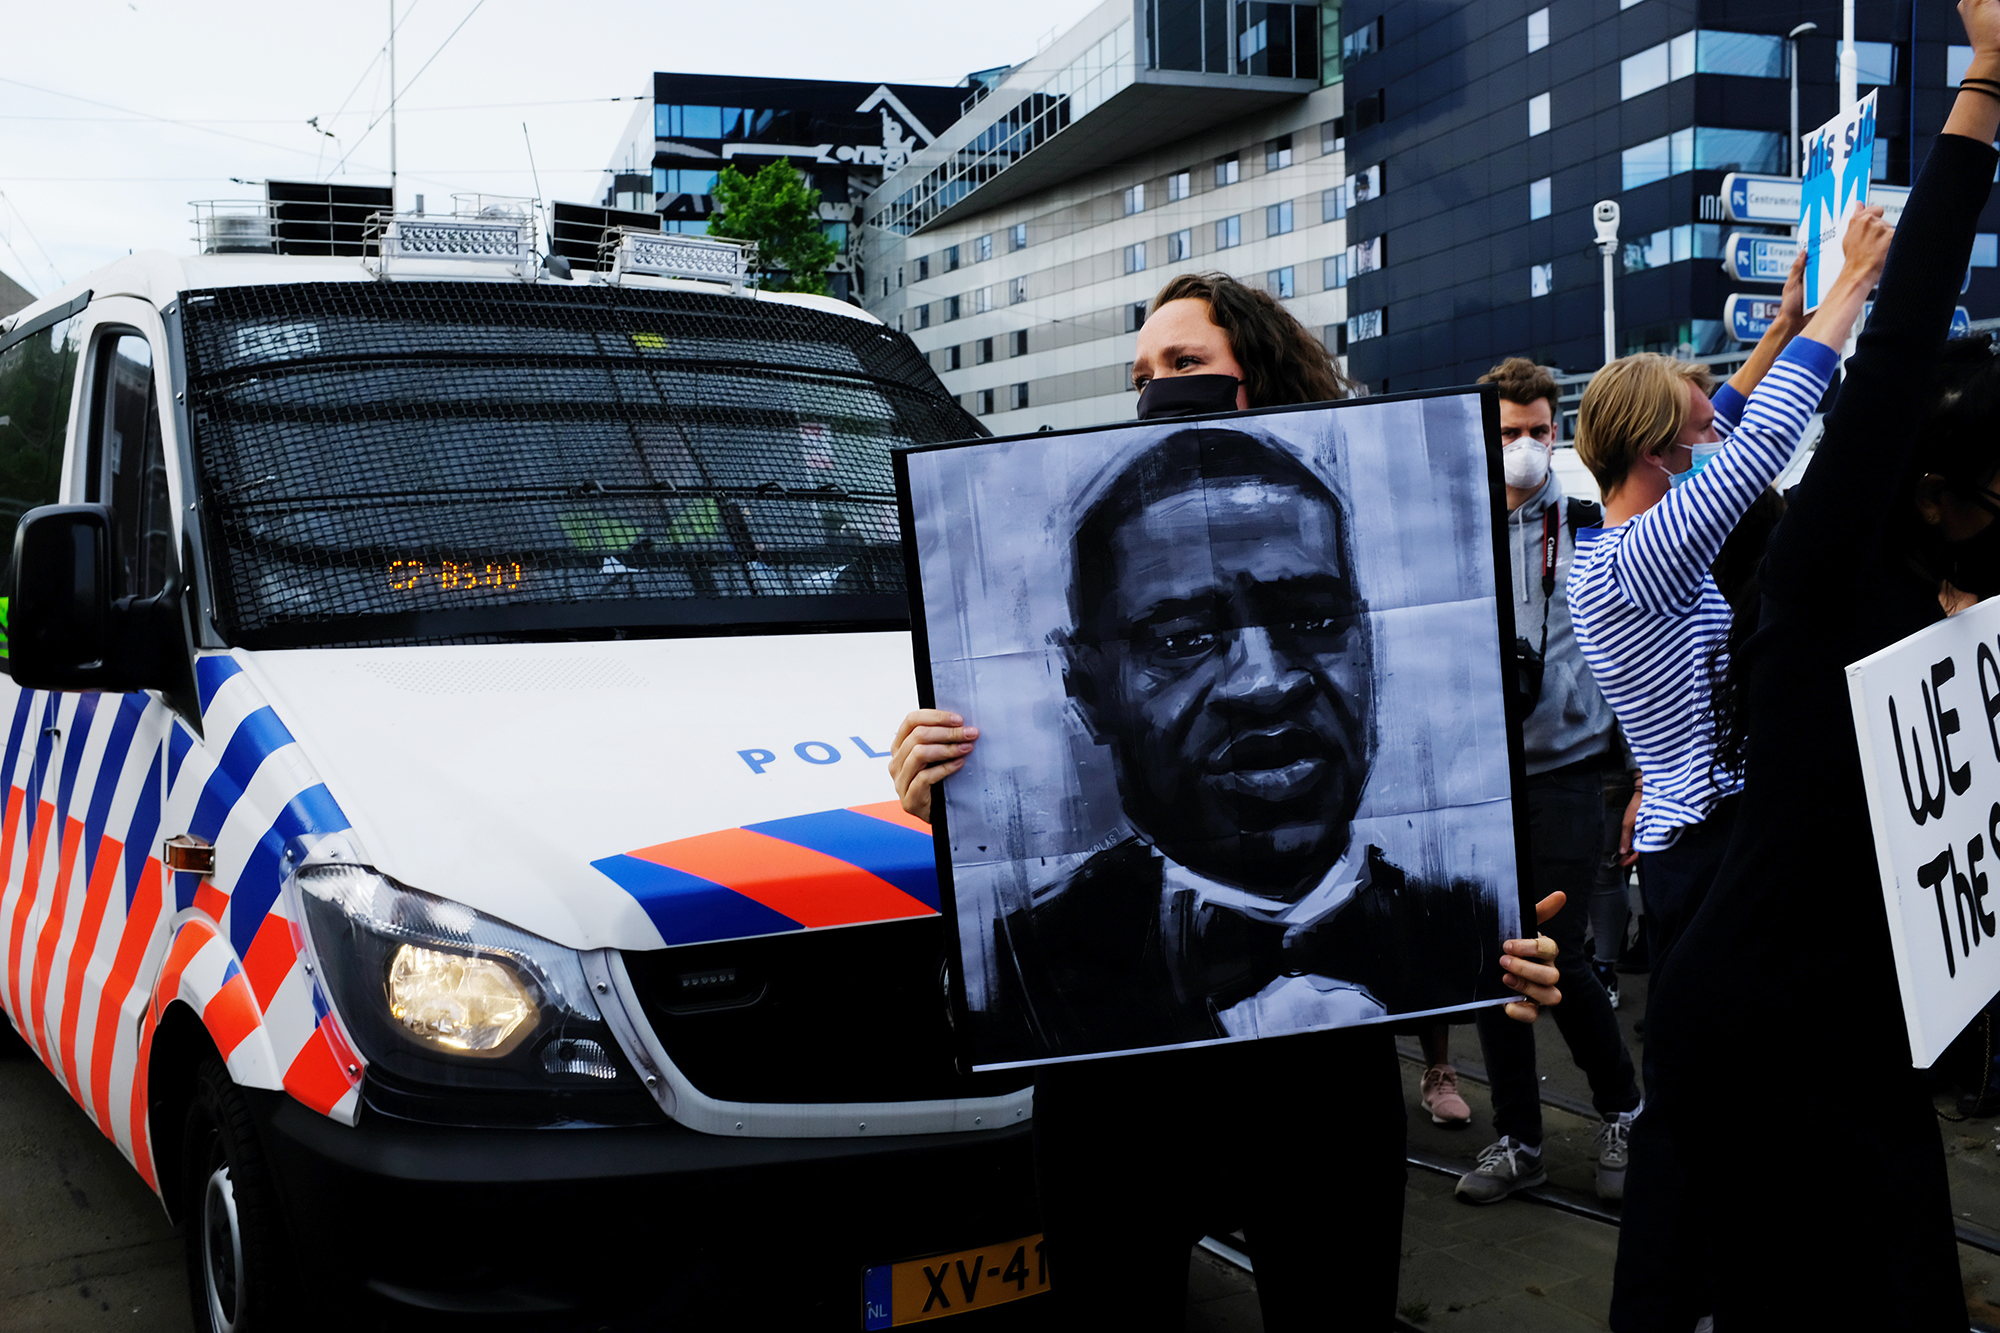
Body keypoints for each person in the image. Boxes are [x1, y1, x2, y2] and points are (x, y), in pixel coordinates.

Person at [891, 271, 1563, 1331]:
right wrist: (936, 792)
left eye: (1307, 619)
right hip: (1110, 1109)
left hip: (1326, 1105)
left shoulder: (1445, 910)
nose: (1262, 681)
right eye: (1184, 637)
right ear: (1087, 681)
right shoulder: (1033, 946)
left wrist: (1504, 961)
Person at [1628, 5, 2000, 1324]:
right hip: (1761, 1028)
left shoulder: (1946, 595)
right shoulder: (1822, 570)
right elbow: (1888, 361)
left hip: (1863, 1029)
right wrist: (1985, 85)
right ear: (1937, 494)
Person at [1563, 158, 1894, 1333]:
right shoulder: (1642, 558)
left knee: (1702, 1090)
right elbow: (1750, 454)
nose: (1713, 431)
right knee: (1702, 1099)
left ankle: (1683, 1294)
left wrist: (1795, 315)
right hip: (1702, 847)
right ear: (1657, 447)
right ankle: (1670, 1303)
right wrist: (1850, 294)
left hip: (1689, 829)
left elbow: (1732, 424)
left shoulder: (1623, 536)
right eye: (1690, 427)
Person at [1450, 359, 1644, 1206]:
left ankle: (1625, 1107)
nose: (1523, 448)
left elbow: (1632, 652)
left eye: (1536, 431)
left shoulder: (1590, 523)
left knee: (1556, 954)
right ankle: (1518, 1136)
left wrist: (1639, 773)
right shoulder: (1450, 526)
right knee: (1495, 957)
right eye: (1506, 434)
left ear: (1556, 431)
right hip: (1477, 773)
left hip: (1566, 769)